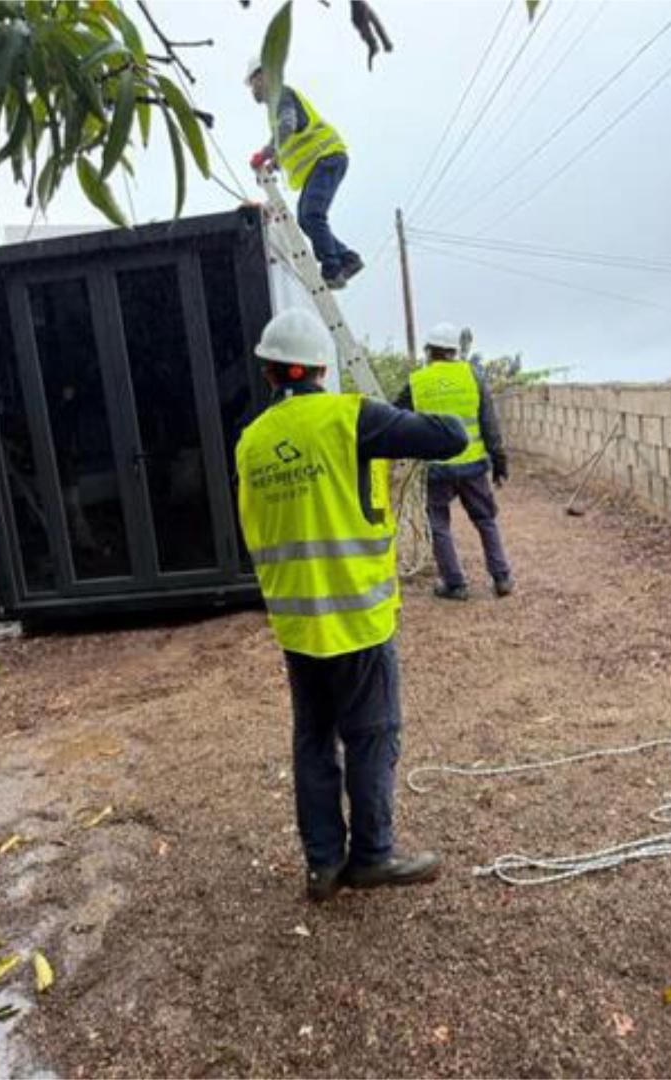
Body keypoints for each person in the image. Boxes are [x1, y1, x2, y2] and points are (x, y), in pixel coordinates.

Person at [236, 308, 468, 901]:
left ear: (269, 374)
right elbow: (451, 436)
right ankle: (372, 857)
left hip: (295, 619)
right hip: (357, 616)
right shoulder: (351, 418)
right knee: (372, 733)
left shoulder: (251, 442)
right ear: (322, 368)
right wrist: (392, 410)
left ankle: (322, 865)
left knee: (313, 738)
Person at [395, 322, 514, 601]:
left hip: (436, 469)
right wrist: (499, 460)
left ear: (429, 350)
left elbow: (396, 418)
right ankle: (501, 577)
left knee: (438, 526)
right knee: (485, 520)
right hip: (473, 466)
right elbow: (489, 423)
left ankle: (455, 584)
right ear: (454, 351)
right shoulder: (473, 376)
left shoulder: (417, 381)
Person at [245, 57, 362, 290]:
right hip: (323, 161)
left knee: (312, 215)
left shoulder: (281, 95)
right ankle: (347, 259)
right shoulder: (276, 106)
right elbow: (290, 140)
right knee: (306, 219)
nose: (252, 89)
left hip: (327, 157)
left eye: (252, 83)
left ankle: (332, 269)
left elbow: (288, 126)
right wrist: (275, 163)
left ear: (263, 76)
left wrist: (265, 153)